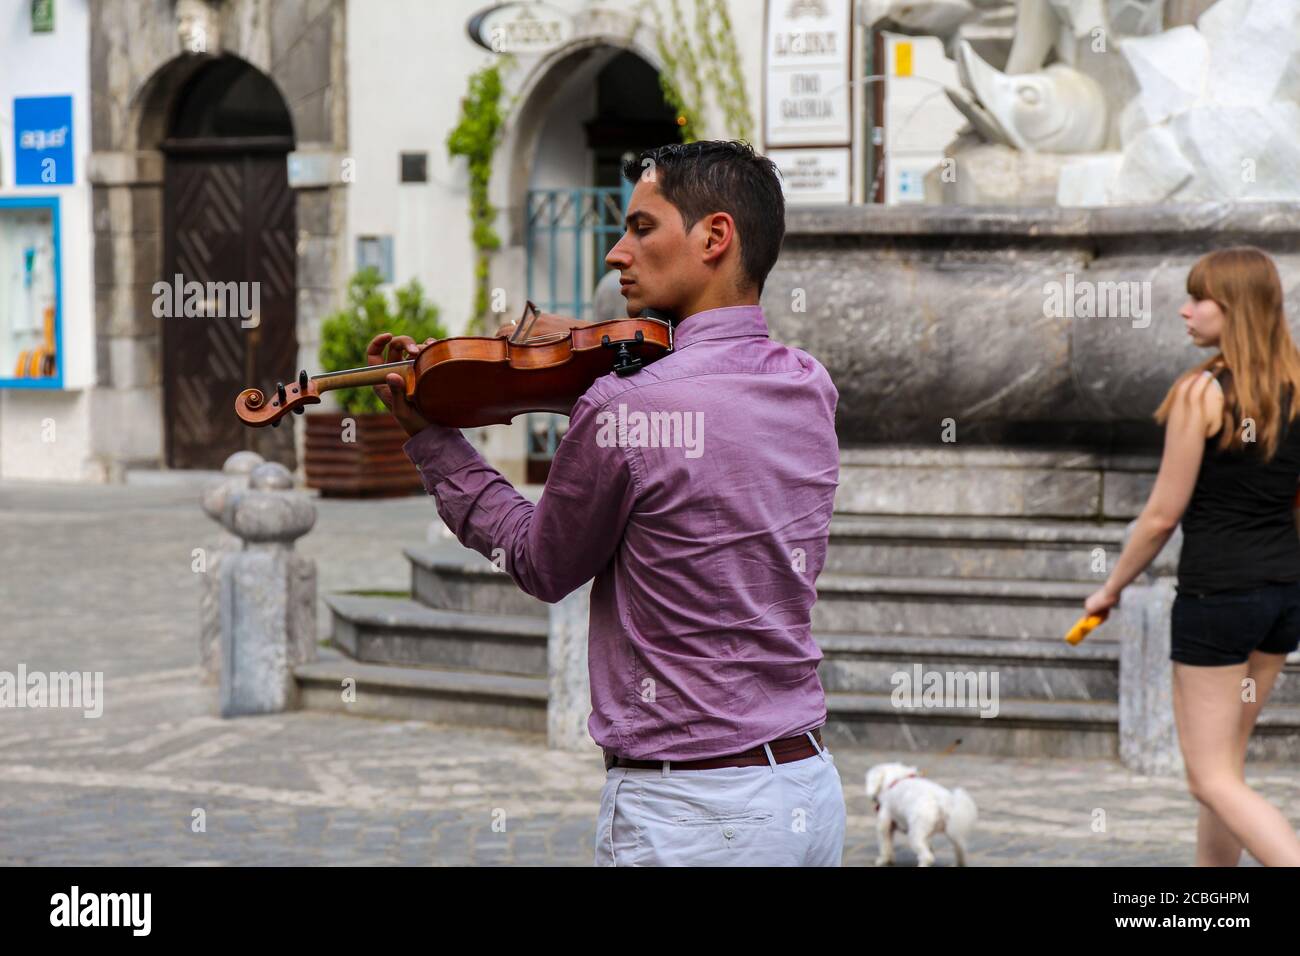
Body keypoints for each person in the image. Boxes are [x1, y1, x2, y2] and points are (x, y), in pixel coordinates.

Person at [367, 140, 846, 866]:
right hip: (807, 786)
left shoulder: (623, 403)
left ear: (715, 237)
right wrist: (580, 372)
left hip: (689, 813)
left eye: (643, 228)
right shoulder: (808, 386)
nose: (617, 253)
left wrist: (433, 439)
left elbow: (541, 562)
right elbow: (694, 419)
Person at [1085, 246, 1300, 866]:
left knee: (1209, 779)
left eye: (1199, 298)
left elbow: (1159, 517)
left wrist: (1110, 589)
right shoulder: (1294, 390)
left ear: (1233, 309)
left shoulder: (1201, 393)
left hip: (1219, 602)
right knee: (1225, 772)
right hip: (1282, 598)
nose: (1185, 310)